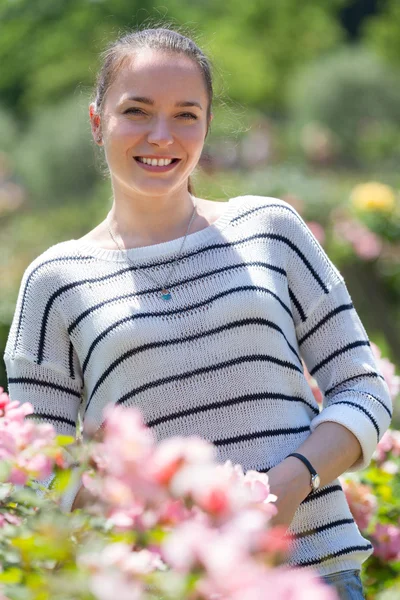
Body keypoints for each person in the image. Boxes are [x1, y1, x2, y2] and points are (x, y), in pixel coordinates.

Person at [3, 27, 392, 599]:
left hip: (312, 572)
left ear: (207, 126)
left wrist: (288, 484)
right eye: (136, 111)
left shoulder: (272, 229)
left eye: (186, 114)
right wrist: (148, 516)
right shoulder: (55, 281)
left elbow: (363, 387)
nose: (162, 135)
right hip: (166, 586)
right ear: (96, 121)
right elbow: (38, 471)